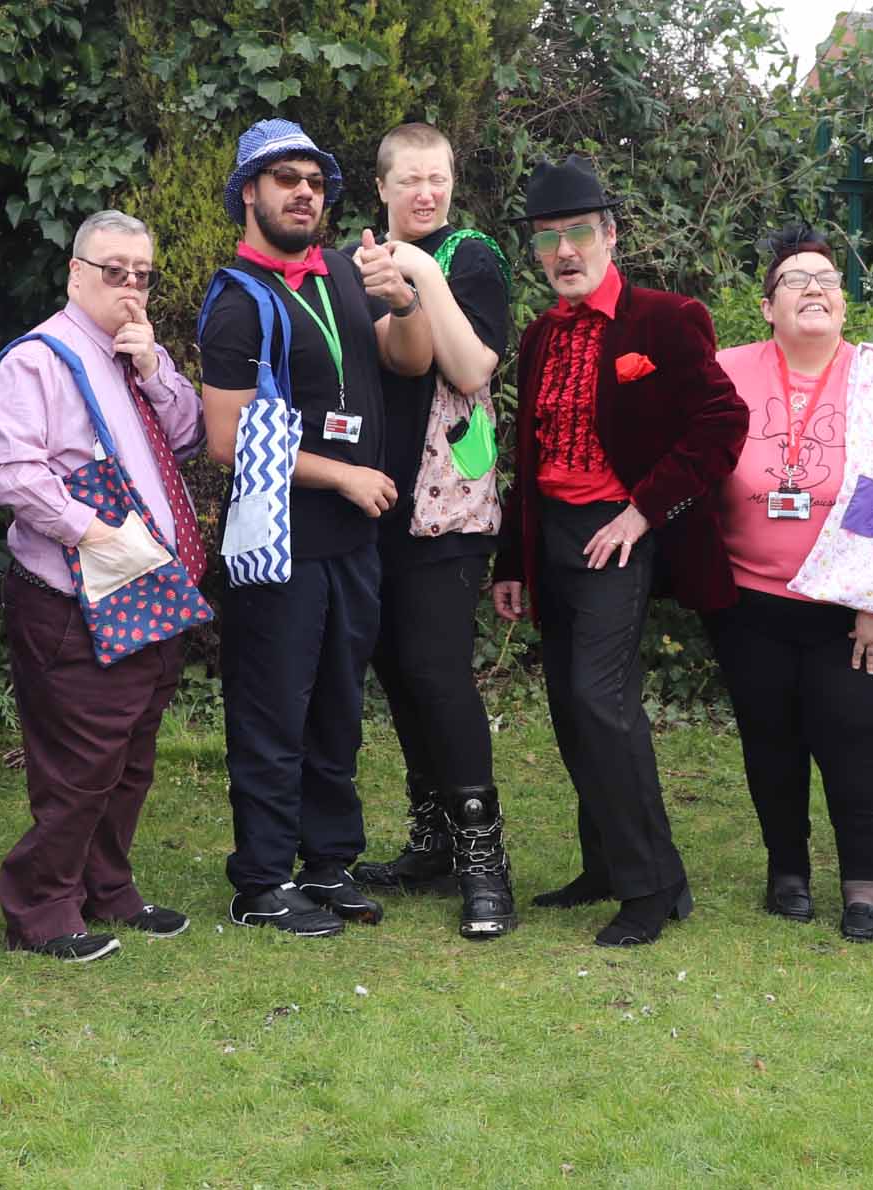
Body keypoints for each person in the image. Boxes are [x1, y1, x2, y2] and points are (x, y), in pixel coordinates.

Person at [490, 155, 745, 947]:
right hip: (554, 534)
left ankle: (651, 886)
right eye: (546, 240)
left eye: (576, 235)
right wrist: (509, 561)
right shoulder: (538, 336)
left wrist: (642, 512)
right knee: (570, 707)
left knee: (602, 703)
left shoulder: (665, 319)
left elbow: (722, 423)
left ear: (609, 235)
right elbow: (526, 456)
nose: (563, 253)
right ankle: (605, 862)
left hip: (619, 533)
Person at [196, 119, 435, 937]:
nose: (304, 191)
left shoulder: (340, 272)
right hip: (277, 546)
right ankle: (261, 882)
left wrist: (404, 303)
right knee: (272, 716)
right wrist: (342, 473)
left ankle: (328, 865)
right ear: (250, 194)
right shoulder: (237, 301)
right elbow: (225, 442)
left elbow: (403, 360)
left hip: (351, 545)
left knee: (338, 708)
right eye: (285, 179)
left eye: (315, 180)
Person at [0, 210, 212, 962]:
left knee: (132, 753)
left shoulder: (133, 353)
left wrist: (155, 368)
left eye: (142, 273)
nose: (131, 287)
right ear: (77, 272)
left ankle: (108, 888)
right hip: (72, 594)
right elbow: (13, 474)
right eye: (114, 271)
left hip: (147, 587)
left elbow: (186, 437)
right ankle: (41, 907)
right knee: (79, 761)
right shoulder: (38, 361)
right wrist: (96, 533)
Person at [708, 225, 873, 941]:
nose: (814, 288)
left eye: (827, 279)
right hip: (750, 599)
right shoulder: (728, 369)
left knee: (855, 739)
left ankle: (863, 883)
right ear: (768, 307)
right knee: (768, 738)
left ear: (843, 302)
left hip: (848, 608)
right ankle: (788, 871)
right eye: (795, 280)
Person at [344, 122, 524, 940]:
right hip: (372, 499)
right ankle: (434, 842)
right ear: (380, 188)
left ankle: (486, 861)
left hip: (446, 505)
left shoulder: (470, 256)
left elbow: (474, 366)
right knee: (399, 672)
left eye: (439, 178)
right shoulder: (355, 266)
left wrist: (417, 270)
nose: (427, 192)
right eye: (410, 179)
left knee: (438, 671)